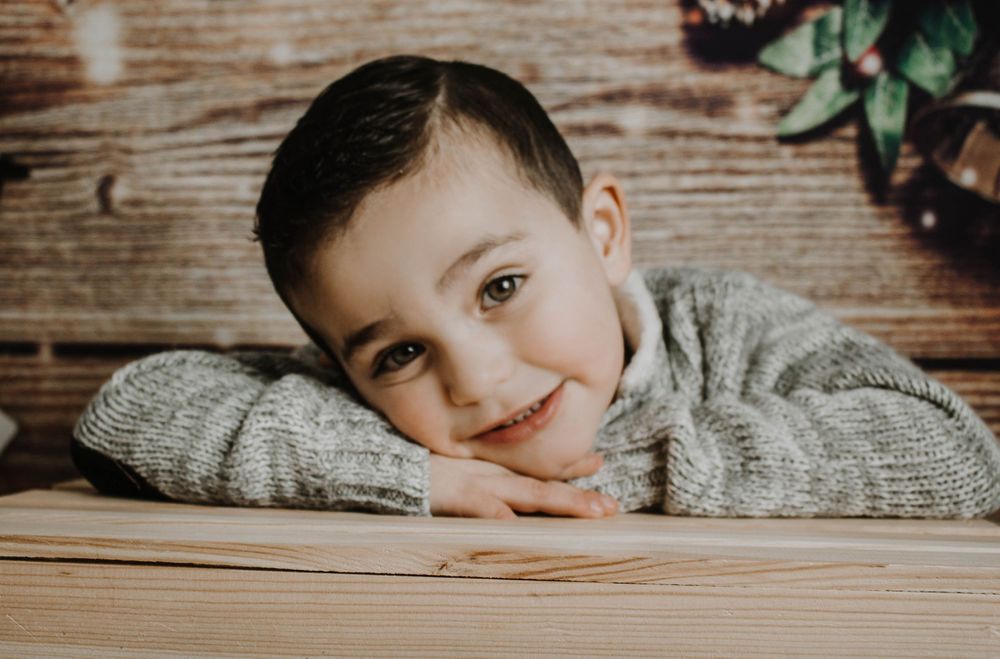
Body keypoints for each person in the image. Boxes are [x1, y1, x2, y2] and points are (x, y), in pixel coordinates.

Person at [72, 54, 1000, 520]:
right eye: (401, 353)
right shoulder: (369, 420)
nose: (474, 378)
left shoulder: (720, 324)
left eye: (500, 285)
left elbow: (953, 450)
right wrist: (409, 474)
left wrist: (610, 473)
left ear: (602, 233)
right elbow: (128, 411)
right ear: (345, 371)